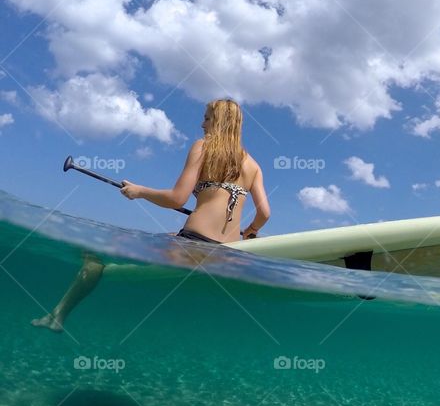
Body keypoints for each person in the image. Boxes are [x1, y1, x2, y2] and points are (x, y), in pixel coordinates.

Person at [32, 98, 270, 332]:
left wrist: (140, 191)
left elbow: (177, 199)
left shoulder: (204, 146)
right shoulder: (254, 166)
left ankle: (58, 316)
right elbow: (264, 213)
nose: (202, 124)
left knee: (95, 255)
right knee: (167, 236)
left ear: (218, 121)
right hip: (226, 254)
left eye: (207, 118)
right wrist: (251, 232)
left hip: (193, 245)